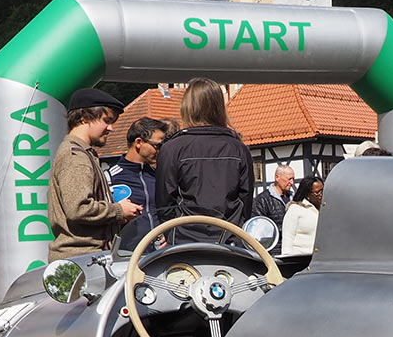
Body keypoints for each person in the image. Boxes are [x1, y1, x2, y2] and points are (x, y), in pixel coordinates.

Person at [156, 77, 253, 244]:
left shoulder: (172, 149)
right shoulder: (238, 148)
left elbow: (164, 202)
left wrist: (173, 231)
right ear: (219, 107)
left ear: (187, 107)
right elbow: (246, 200)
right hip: (229, 240)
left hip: (185, 240)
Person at [48, 88, 141, 260]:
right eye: (107, 120)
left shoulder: (83, 153)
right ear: (84, 117)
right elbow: (79, 209)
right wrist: (119, 210)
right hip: (82, 259)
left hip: (87, 258)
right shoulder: (75, 157)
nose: (111, 128)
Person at [107, 116, 168, 243]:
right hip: (126, 257)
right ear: (139, 142)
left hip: (159, 255)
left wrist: (169, 235)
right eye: (157, 146)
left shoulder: (159, 175)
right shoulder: (110, 178)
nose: (160, 151)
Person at [281, 176, 324, 256]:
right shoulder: (295, 209)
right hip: (301, 258)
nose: (321, 195)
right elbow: (288, 237)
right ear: (307, 194)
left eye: (323, 191)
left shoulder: (325, 209)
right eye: (317, 192)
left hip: (321, 258)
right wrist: (287, 259)